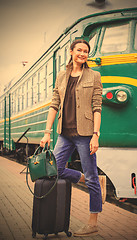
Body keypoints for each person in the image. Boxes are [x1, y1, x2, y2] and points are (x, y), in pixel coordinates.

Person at [40, 39, 106, 236]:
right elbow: (54, 105)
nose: (82, 54)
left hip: (85, 134)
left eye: (86, 51)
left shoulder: (94, 76)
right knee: (54, 170)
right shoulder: (62, 76)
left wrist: (96, 135)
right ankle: (85, 178)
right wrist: (46, 132)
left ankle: (93, 223)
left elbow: (97, 107)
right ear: (71, 52)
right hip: (65, 134)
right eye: (79, 50)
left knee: (93, 178)